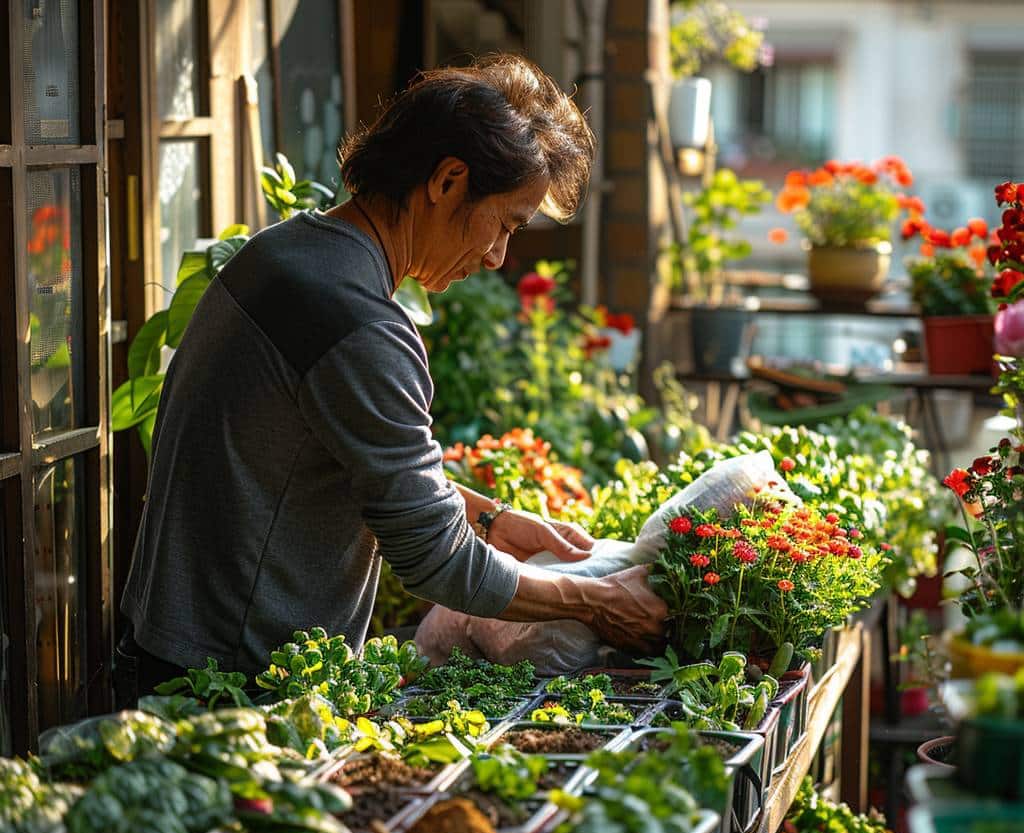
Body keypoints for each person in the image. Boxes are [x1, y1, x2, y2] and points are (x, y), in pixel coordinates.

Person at [116, 54, 667, 700]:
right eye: (507, 224)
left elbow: (351, 461)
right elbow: (437, 559)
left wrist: (491, 518)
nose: (497, 257)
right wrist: (594, 601)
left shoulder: (284, 254)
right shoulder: (357, 322)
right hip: (223, 688)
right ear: (447, 182)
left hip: (168, 653)